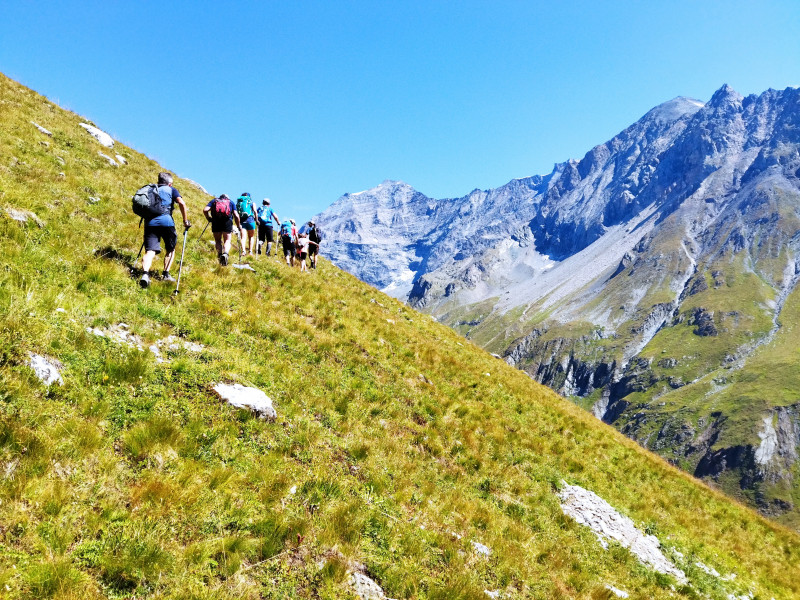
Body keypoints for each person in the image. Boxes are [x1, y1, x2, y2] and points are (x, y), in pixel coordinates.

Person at [139, 172, 190, 289]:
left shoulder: (151, 189)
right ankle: (165, 274)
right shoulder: (172, 190)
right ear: (170, 183)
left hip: (150, 222)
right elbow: (181, 203)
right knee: (171, 249)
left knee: (150, 251)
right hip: (166, 222)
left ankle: (145, 274)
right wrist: (185, 220)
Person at [203, 194, 241, 266]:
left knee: (217, 240)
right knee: (227, 240)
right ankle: (225, 253)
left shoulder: (214, 201)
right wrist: (238, 225)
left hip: (216, 222)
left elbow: (205, 210)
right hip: (227, 222)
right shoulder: (231, 202)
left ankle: (220, 255)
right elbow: (236, 215)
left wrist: (208, 218)